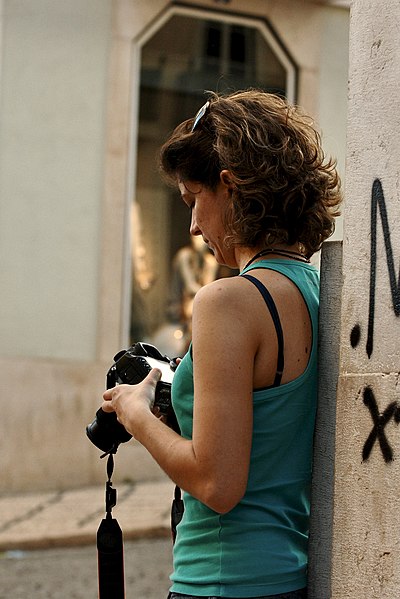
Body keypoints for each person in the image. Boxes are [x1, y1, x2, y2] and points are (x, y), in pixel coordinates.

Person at [102, 89, 342, 598]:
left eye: (194, 200)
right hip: (287, 576)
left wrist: (136, 413)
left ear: (230, 188)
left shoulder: (226, 302)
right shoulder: (317, 290)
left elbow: (216, 483)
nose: (192, 225)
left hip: (219, 581)